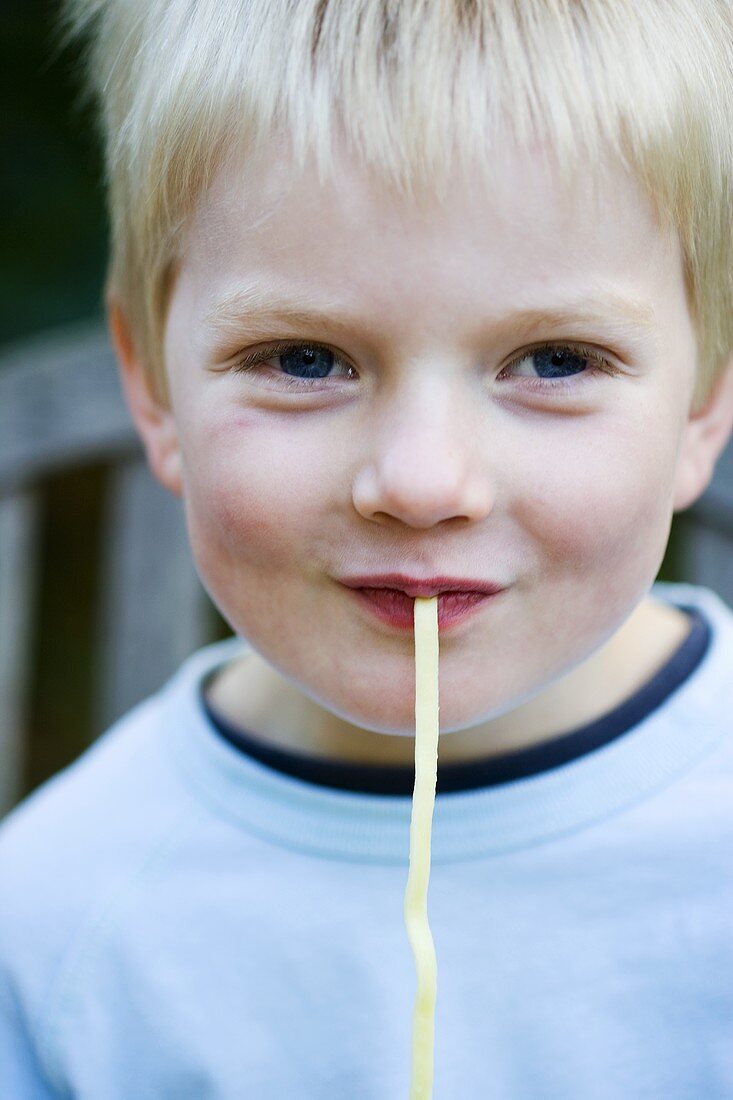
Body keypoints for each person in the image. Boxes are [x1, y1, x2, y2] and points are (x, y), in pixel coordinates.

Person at [2, 0, 733, 1096]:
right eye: (303, 358)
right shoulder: (59, 920)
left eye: (553, 359)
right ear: (151, 380)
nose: (423, 481)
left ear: (703, 401)